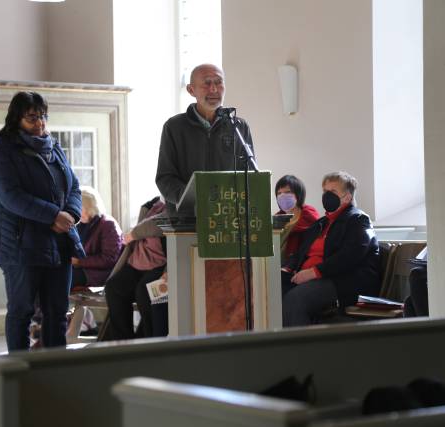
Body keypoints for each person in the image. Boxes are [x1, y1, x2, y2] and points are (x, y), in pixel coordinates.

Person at [0, 91, 83, 351]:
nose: (40, 123)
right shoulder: (4, 153)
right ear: (16, 119)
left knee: (57, 311)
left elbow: (74, 187)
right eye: (32, 118)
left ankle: (54, 371)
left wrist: (71, 215)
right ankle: (19, 374)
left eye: (43, 117)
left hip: (58, 242)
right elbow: (11, 197)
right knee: (22, 311)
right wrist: (53, 216)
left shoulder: (56, 149)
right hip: (21, 246)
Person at [281, 171, 380, 327]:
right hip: (316, 278)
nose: (327, 196)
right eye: (325, 191)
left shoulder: (359, 220)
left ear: (347, 197)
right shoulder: (321, 223)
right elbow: (301, 252)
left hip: (343, 281)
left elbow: (350, 255)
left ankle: (302, 349)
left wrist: (314, 272)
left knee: (296, 299)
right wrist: (288, 268)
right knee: (274, 289)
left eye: (333, 192)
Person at [155, 63, 255, 213]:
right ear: (191, 90)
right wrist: (196, 201)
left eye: (218, 82)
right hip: (187, 221)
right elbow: (165, 178)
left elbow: (249, 174)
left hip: (229, 218)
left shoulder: (238, 126)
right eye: (207, 83)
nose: (213, 89)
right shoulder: (174, 127)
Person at [105, 196, 166, 339]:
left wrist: (133, 234)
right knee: (114, 288)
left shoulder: (176, 204)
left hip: (161, 266)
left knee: (145, 292)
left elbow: (157, 224)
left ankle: (147, 342)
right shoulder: (153, 204)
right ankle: (123, 343)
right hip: (136, 263)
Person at [71, 186, 123, 287]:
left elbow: (109, 259)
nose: (77, 212)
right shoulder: (80, 224)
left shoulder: (108, 224)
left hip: (99, 273)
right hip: (81, 268)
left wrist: (79, 262)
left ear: (91, 207)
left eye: (80, 208)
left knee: (62, 280)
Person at [274, 175, 320, 264]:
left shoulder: (308, 217)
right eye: (279, 193)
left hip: (294, 267)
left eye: (288, 192)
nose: (282, 196)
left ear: (298, 194)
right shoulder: (277, 218)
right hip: (274, 265)